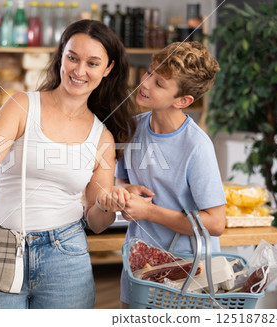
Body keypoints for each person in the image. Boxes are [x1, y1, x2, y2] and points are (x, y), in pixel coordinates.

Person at [0, 20, 136, 309]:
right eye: (72, 58)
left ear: (108, 69)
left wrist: (107, 203)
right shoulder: (22, 105)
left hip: (64, 257)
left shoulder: (102, 136)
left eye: (92, 63)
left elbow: (96, 221)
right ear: (60, 56)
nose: (79, 71)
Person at [97, 41, 226, 307]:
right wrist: (125, 193)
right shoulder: (131, 129)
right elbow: (122, 182)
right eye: (149, 73)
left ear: (183, 100)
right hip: (139, 263)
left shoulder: (196, 146)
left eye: (159, 83)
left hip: (188, 273)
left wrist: (150, 212)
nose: (144, 83)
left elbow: (215, 223)